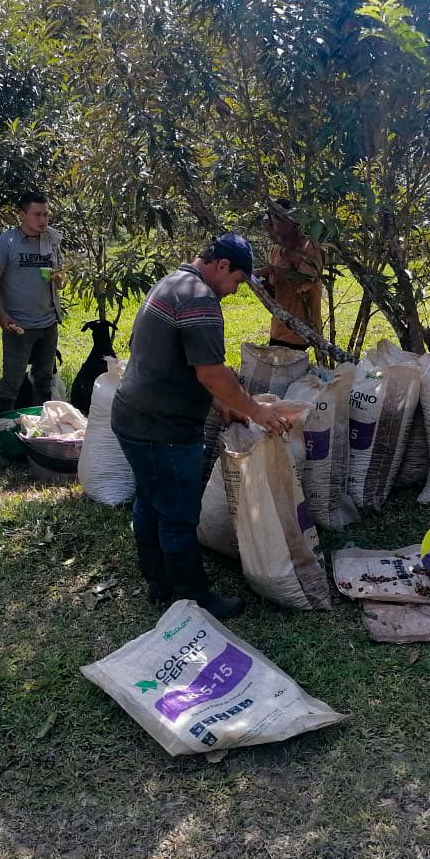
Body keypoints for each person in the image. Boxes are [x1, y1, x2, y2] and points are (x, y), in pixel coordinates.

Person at [111, 234, 290, 620]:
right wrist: (255, 410)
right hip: (163, 429)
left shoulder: (174, 281)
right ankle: (193, 596)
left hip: (131, 415)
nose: (234, 290)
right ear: (222, 266)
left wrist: (220, 402)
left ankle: (157, 581)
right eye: (238, 281)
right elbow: (210, 371)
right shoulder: (200, 301)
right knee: (178, 515)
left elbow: (175, 357)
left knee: (150, 499)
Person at [0, 190, 65, 413]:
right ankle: (2, 431)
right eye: (37, 215)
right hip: (18, 325)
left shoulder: (51, 240)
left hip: (48, 323)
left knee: (44, 380)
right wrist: (2, 315)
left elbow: (60, 282)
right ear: (22, 215)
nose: (43, 220)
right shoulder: (6, 243)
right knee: (11, 383)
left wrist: (59, 279)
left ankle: (41, 429)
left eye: (46, 215)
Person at [259, 199, 324, 351]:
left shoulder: (309, 249)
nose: (271, 228)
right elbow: (275, 290)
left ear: (290, 223)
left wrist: (271, 270)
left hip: (301, 333)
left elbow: (305, 280)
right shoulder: (276, 250)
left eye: (276, 221)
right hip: (278, 330)